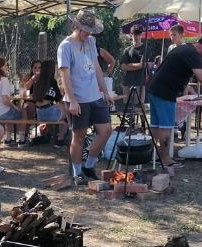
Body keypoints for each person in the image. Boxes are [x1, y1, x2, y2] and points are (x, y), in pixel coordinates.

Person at [147, 34, 202, 168]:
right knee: (166, 127)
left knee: (156, 126)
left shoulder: (185, 49)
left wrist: (187, 86)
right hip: (164, 92)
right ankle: (166, 160)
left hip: (155, 88)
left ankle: (151, 155)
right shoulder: (191, 54)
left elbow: (174, 70)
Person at [57, 9, 113, 184]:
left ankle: (89, 165)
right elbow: (64, 75)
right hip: (78, 99)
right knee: (79, 136)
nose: (88, 34)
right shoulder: (65, 46)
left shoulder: (91, 41)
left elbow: (96, 67)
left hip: (95, 96)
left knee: (106, 131)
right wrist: (72, 100)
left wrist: (105, 91)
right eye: (85, 30)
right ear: (76, 26)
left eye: (91, 31)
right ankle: (77, 172)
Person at [0, 57, 24, 145]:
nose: (7, 67)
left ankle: (8, 139)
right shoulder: (3, 79)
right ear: (1, 67)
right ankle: (21, 139)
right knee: (22, 113)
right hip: (1, 113)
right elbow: (5, 100)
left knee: (9, 111)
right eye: (6, 65)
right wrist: (15, 107)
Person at [30, 60, 68, 147]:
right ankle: (60, 139)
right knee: (67, 114)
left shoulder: (38, 80)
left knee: (57, 106)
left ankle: (48, 135)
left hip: (39, 115)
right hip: (49, 115)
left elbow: (35, 97)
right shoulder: (52, 81)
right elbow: (59, 98)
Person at [120, 24, 148, 105]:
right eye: (135, 34)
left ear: (141, 35)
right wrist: (137, 65)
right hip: (127, 82)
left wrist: (128, 65)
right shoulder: (127, 50)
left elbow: (142, 65)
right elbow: (123, 67)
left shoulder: (146, 48)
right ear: (131, 35)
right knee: (127, 110)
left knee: (139, 108)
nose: (136, 36)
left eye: (138, 34)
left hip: (140, 82)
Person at [21, 60, 41, 125]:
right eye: (35, 68)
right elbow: (25, 90)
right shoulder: (28, 77)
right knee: (27, 107)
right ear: (32, 69)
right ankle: (24, 132)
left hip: (41, 102)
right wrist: (32, 79)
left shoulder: (44, 78)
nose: (37, 69)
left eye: (39, 68)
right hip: (29, 101)